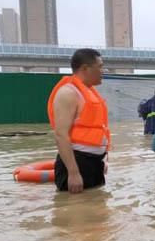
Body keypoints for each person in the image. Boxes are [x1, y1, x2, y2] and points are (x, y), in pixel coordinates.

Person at [47, 48, 109, 193]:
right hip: (78, 164)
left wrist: (101, 160)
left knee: (97, 211)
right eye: (100, 66)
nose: (103, 71)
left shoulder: (89, 92)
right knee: (76, 212)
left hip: (94, 164)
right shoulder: (68, 93)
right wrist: (73, 173)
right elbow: (61, 134)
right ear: (85, 68)